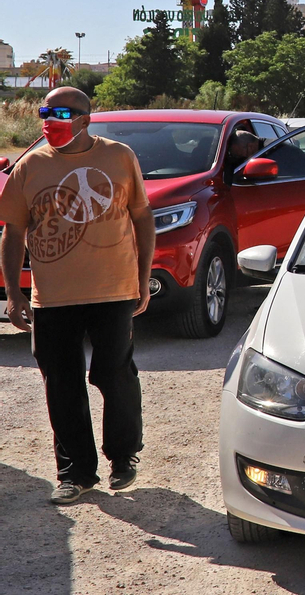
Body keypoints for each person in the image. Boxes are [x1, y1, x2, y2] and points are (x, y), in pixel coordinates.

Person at [1, 87, 155, 505]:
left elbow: (142, 218)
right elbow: (13, 232)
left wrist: (142, 279)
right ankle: (76, 473)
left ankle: (123, 457)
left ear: (86, 120)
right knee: (61, 384)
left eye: (61, 113)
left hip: (113, 290)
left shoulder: (119, 157)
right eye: (45, 112)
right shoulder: (30, 166)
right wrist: (14, 293)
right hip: (53, 298)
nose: (50, 120)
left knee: (114, 374)